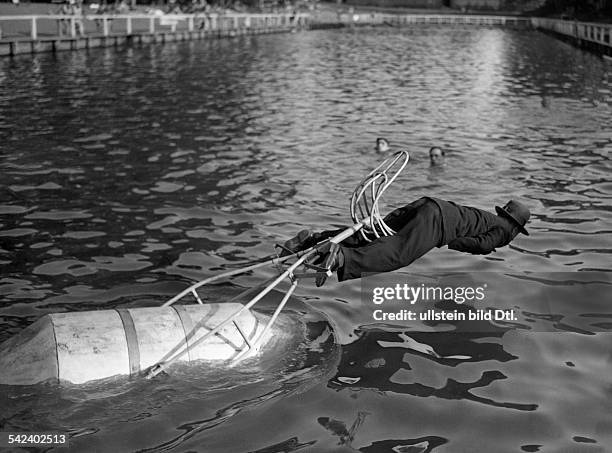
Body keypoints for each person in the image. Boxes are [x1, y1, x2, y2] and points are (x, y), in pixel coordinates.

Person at [282, 198, 530, 286]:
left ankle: (311, 240)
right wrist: (452, 243)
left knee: (379, 235)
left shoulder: (492, 219)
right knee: (397, 254)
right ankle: (340, 256)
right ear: (517, 226)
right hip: (437, 221)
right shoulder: (505, 231)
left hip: (428, 205)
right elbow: (482, 245)